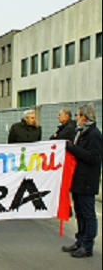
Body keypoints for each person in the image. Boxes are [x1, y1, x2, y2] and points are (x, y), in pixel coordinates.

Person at [62, 104, 102, 258]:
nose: (76, 118)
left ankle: (87, 245)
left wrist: (72, 148)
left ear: (84, 117)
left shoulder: (94, 134)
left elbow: (94, 157)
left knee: (88, 213)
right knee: (80, 213)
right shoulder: (83, 133)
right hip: (79, 180)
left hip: (87, 181)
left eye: (78, 116)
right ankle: (79, 241)